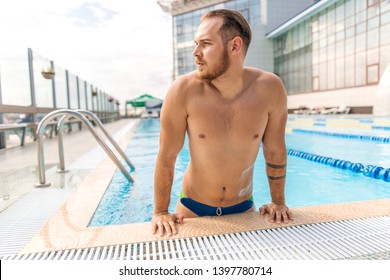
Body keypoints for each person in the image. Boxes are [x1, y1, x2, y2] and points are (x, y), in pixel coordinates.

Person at [152, 9, 294, 237]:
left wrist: (279, 202)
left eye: (205, 44)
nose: (195, 52)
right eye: (196, 43)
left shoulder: (270, 88)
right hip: (192, 208)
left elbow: (275, 150)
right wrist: (160, 211)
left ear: (235, 46)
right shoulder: (183, 91)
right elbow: (166, 156)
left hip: (243, 208)